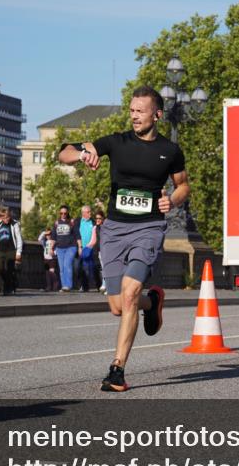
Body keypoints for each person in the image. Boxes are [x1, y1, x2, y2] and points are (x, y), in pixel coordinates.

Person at [59, 85, 188, 392]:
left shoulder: (170, 151)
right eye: (131, 110)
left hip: (149, 229)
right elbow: (63, 151)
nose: (134, 116)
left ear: (156, 115)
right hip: (115, 231)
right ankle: (152, 300)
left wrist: (174, 199)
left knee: (129, 294)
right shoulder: (116, 143)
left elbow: (183, 185)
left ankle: (117, 369)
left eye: (140, 111)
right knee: (118, 306)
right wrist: (81, 155)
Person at [0, 206, 23, 295]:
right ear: (1, 217)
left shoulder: (14, 224)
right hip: (0, 250)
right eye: (3, 217)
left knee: (9, 270)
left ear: (10, 216)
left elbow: (19, 238)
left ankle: (8, 288)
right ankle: (9, 284)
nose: (6, 219)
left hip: (11, 250)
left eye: (7, 217)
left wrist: (18, 252)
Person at [51, 205, 78, 292]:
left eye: (65, 213)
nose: (63, 215)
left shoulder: (71, 222)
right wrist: (51, 248)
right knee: (61, 268)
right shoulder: (56, 223)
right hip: (59, 248)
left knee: (67, 265)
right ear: (59, 213)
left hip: (71, 247)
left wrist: (80, 247)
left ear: (67, 213)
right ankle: (64, 286)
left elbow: (77, 235)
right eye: (61, 213)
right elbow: (53, 237)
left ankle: (68, 285)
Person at [77, 205, 99, 292]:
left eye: (90, 211)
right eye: (88, 212)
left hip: (92, 248)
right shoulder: (78, 222)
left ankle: (99, 285)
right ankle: (84, 286)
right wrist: (79, 246)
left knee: (94, 268)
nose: (90, 213)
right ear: (83, 213)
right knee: (81, 268)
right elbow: (75, 233)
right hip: (82, 248)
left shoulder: (93, 222)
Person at [38, 225, 60, 292]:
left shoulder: (54, 241)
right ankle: (49, 286)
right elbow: (39, 239)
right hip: (46, 259)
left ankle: (55, 286)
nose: (48, 236)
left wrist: (55, 253)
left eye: (50, 234)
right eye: (47, 235)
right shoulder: (45, 242)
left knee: (52, 272)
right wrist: (45, 232)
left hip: (52, 259)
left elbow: (57, 249)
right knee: (47, 273)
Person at [94, 211, 106, 293]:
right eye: (96, 218)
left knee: (106, 268)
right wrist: (87, 247)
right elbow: (93, 240)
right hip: (100, 250)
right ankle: (105, 284)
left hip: (107, 250)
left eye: (99, 218)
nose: (98, 220)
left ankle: (105, 285)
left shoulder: (107, 227)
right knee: (103, 268)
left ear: (103, 219)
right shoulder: (95, 228)